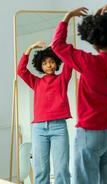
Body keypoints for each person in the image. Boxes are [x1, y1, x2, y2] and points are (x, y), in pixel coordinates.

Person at [51, 4, 107, 184]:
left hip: (90, 133)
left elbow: (57, 45)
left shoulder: (89, 62)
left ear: (93, 41)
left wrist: (67, 17)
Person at [17, 40, 72, 184]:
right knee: (41, 169)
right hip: (39, 129)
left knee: (61, 168)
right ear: (40, 66)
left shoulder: (62, 79)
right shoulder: (36, 82)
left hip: (59, 127)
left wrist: (59, 48)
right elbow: (21, 70)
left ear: (56, 63)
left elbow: (70, 62)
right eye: (45, 63)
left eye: (52, 61)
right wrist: (29, 48)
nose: (49, 65)